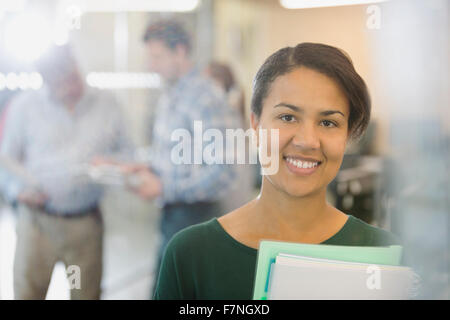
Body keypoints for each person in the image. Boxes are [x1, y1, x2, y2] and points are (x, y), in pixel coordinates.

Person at [153, 43, 401, 300]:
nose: (308, 141)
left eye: (328, 123)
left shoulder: (385, 254)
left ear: (347, 135)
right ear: (256, 125)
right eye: (287, 117)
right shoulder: (191, 254)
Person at [0, 45, 130, 299]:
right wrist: (17, 191)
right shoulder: (25, 107)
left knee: (83, 291)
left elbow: (129, 155)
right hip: (38, 227)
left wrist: (112, 165)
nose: (70, 88)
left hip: (83, 230)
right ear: (47, 82)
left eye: (72, 78)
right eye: (61, 83)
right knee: (29, 293)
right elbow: (6, 160)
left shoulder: (106, 104)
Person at [121, 20, 239, 296]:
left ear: (181, 51)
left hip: (197, 217)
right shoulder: (172, 93)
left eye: (157, 56)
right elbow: (180, 155)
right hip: (172, 215)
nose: (151, 65)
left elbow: (223, 172)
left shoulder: (206, 97)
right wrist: (148, 166)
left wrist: (164, 187)